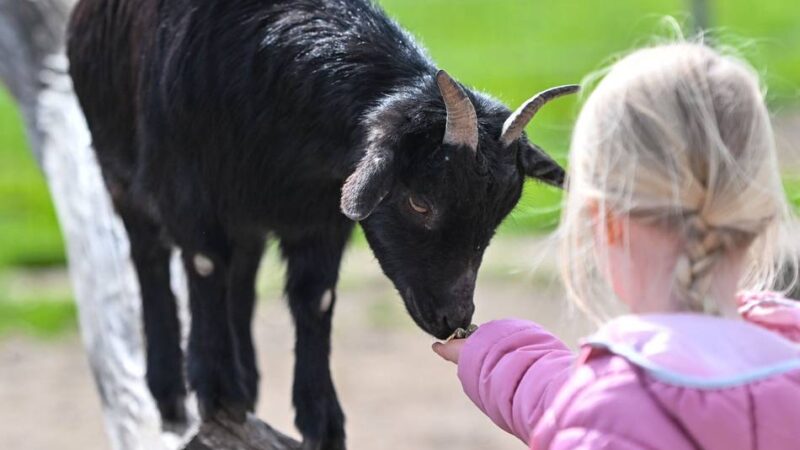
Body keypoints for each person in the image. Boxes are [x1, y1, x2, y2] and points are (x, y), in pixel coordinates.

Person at [433, 42, 800, 449]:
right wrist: (502, 360)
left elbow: (613, 416)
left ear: (607, 224)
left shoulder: (606, 419)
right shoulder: (787, 357)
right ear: (758, 212)